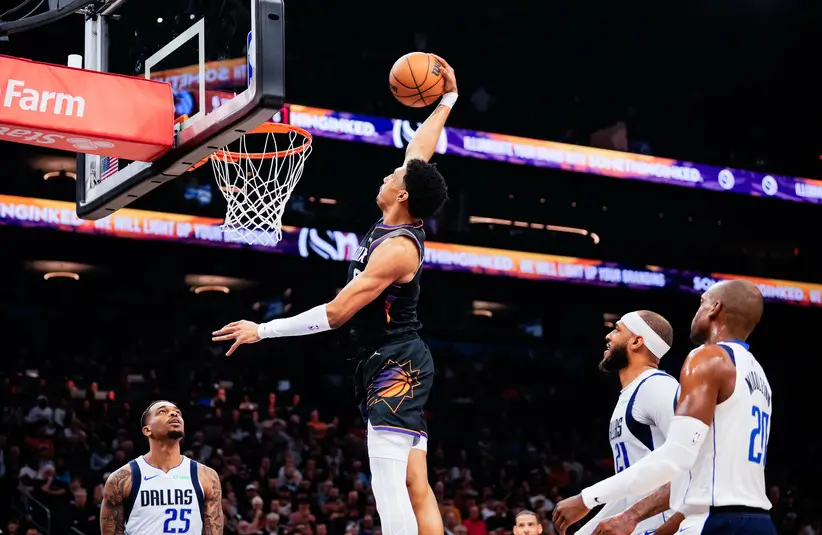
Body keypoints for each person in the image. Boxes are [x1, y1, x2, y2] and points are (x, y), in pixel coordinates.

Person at [212, 56, 457, 535]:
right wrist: (447, 98)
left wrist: (264, 330)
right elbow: (419, 148)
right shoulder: (397, 218)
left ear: (403, 195)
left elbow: (338, 312)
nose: (387, 176)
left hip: (397, 362)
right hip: (387, 357)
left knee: (388, 480)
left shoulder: (398, 250)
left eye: (394, 178)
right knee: (415, 483)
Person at [553, 280, 775, 535]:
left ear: (715, 308)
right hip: (757, 519)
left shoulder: (704, 360)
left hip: (714, 519)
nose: (696, 311)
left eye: (701, 302)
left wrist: (588, 498)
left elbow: (679, 456)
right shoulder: (758, 376)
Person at [573, 310, 679, 535]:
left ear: (637, 341)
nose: (608, 336)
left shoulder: (658, 387)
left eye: (617, 330)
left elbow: (693, 469)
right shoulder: (630, 394)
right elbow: (632, 490)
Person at [100, 401, 223, 534]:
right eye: (162, 411)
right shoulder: (122, 478)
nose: (174, 414)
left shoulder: (206, 476)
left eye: (178, 412)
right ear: (147, 430)